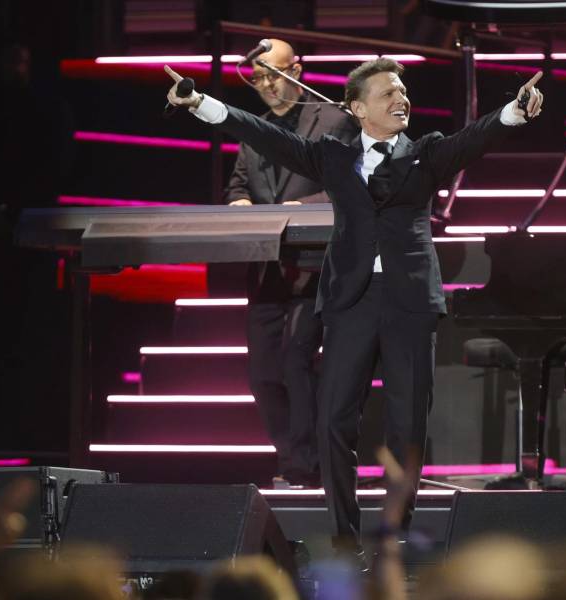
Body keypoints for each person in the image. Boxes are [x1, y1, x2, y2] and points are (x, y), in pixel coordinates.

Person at [164, 58, 543, 564]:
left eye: (403, 91)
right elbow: (265, 135)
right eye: (388, 93)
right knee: (333, 421)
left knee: (407, 425)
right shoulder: (333, 157)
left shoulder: (426, 153)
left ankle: (395, 535)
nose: (400, 99)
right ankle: (345, 537)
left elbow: (473, 138)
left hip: (409, 303)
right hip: (350, 302)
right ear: (359, 108)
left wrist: (515, 111)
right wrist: (200, 104)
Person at [224, 39, 357, 488]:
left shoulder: (333, 120)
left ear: (296, 70)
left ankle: (308, 464)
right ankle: (291, 457)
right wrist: (240, 201)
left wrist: (303, 206)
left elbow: (348, 185)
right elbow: (237, 185)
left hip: (314, 266)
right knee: (262, 374)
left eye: (272, 74)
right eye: (258, 77)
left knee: (296, 361)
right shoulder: (255, 129)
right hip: (267, 268)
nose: (265, 84)